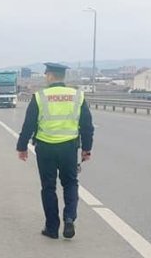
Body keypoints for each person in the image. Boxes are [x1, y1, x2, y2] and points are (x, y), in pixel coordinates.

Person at [16, 62, 94, 239]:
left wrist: (22, 147)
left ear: (50, 76)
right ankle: (69, 218)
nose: (45, 77)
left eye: (46, 75)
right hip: (69, 147)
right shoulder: (77, 96)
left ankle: (52, 228)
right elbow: (87, 126)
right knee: (70, 183)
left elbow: (28, 125)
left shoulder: (40, 96)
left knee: (48, 187)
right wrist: (86, 149)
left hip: (46, 147)